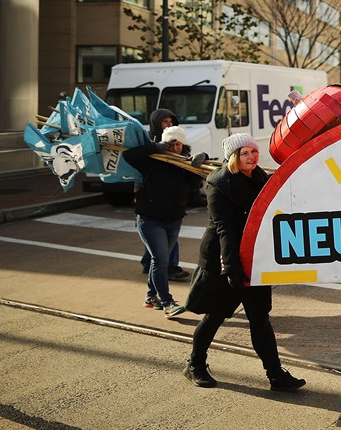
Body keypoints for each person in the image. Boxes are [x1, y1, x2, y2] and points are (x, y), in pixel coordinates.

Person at [183, 133, 306, 391]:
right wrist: (232, 269)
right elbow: (224, 229)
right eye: (245, 153)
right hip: (224, 259)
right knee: (215, 316)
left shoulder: (261, 178)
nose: (252, 156)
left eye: (254, 151)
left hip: (254, 258)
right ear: (233, 157)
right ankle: (195, 364)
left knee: (260, 319)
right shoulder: (218, 183)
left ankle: (276, 375)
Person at [124, 125, 199, 318]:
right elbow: (129, 155)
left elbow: (194, 186)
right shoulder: (152, 161)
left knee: (160, 259)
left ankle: (151, 297)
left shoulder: (184, 163)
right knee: (160, 260)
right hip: (149, 219)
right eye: (171, 143)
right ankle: (167, 302)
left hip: (174, 219)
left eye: (178, 144)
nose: (175, 147)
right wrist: (156, 148)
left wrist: (199, 164)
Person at [140, 108, 191, 283]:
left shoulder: (178, 146)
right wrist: (156, 148)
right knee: (159, 238)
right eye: (165, 122)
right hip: (151, 201)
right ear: (156, 124)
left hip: (173, 206)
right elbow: (134, 157)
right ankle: (168, 267)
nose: (169, 125)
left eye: (171, 122)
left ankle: (151, 263)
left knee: (163, 239)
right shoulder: (148, 144)